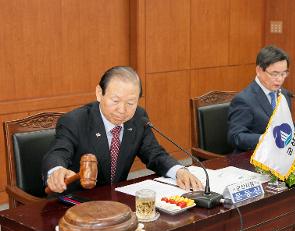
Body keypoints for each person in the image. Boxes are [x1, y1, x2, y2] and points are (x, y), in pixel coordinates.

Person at [42, 66, 203, 193]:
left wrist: (179, 171)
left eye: (130, 103)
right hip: (75, 202)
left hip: (114, 200)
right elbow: (58, 152)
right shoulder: (75, 121)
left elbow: (155, 153)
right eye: (115, 100)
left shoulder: (139, 118)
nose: (122, 110)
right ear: (99, 93)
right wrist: (56, 171)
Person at [227, 45, 295, 153]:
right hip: (252, 157)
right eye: (274, 74)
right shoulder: (244, 100)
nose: (280, 79)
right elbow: (236, 137)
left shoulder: (283, 94)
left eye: (284, 73)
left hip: (279, 155)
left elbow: (282, 122)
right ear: (259, 70)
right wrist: (265, 139)